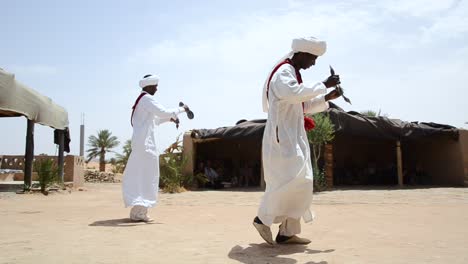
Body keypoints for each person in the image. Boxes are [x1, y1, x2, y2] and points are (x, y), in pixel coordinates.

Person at [253, 37, 341, 244]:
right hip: (282, 137)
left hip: (292, 135)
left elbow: (301, 105)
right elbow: (293, 94)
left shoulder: (293, 74)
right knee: (289, 181)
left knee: (301, 181)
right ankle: (262, 218)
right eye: (313, 58)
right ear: (302, 54)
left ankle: (287, 232)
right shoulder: (284, 72)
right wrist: (323, 84)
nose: (313, 63)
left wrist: (327, 97)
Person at [122, 74, 188, 222]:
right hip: (145, 146)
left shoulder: (142, 101)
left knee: (141, 176)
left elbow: (155, 120)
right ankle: (140, 212)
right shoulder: (146, 99)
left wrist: (169, 119)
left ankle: (137, 212)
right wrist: (182, 109)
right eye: (155, 86)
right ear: (149, 86)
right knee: (148, 177)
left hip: (142, 144)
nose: (157, 89)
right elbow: (163, 111)